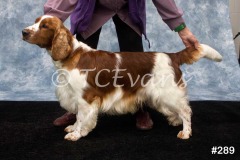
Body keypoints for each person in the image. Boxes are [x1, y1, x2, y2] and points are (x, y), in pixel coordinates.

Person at [43, 0, 200, 129]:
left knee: (136, 58)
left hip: (129, 8)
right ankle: (77, 109)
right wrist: (47, 22)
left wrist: (181, 28)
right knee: (79, 60)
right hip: (91, 8)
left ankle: (140, 107)